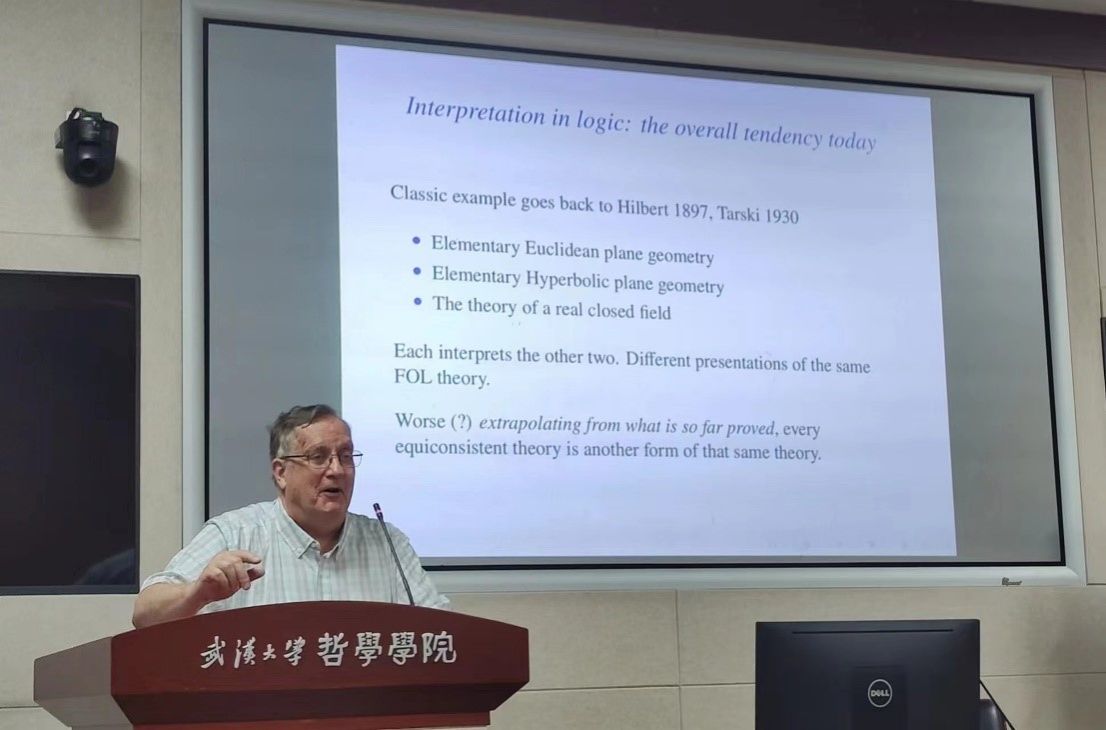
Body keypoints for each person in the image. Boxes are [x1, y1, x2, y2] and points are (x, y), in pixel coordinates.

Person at [133, 404, 447, 628]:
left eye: (346, 456)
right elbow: (145, 614)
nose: (337, 470)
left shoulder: (388, 543)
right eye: (318, 457)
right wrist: (197, 594)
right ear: (281, 473)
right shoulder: (235, 533)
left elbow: (444, 633)